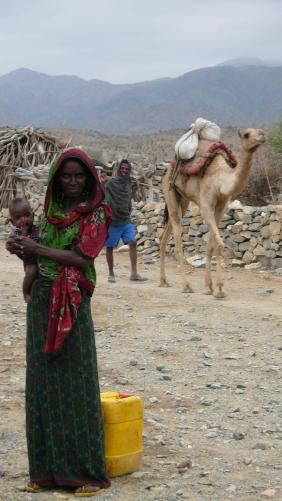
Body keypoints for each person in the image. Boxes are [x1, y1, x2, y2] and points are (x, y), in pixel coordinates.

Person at [6, 149, 111, 497]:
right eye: (66, 176)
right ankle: (46, 473)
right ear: (56, 179)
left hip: (73, 302)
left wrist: (39, 252)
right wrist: (20, 247)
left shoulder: (96, 215)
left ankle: (85, 473)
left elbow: (82, 257)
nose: (73, 182)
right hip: (41, 301)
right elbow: (35, 249)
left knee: (77, 382)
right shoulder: (48, 215)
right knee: (42, 382)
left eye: (79, 176)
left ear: (90, 178)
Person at [104, 159, 146, 283]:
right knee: (110, 247)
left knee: (132, 242)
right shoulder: (111, 183)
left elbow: (130, 197)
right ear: (118, 169)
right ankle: (111, 273)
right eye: (122, 168)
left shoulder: (129, 182)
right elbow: (104, 193)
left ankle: (134, 273)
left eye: (126, 169)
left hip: (125, 218)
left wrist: (134, 189)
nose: (124, 171)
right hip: (113, 219)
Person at [8, 198, 39, 304]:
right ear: (12, 222)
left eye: (27, 215)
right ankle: (26, 292)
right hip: (30, 263)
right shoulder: (15, 234)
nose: (24, 220)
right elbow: (20, 247)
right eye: (18, 218)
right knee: (31, 272)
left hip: (42, 260)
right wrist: (23, 234)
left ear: (33, 215)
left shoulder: (37, 229)